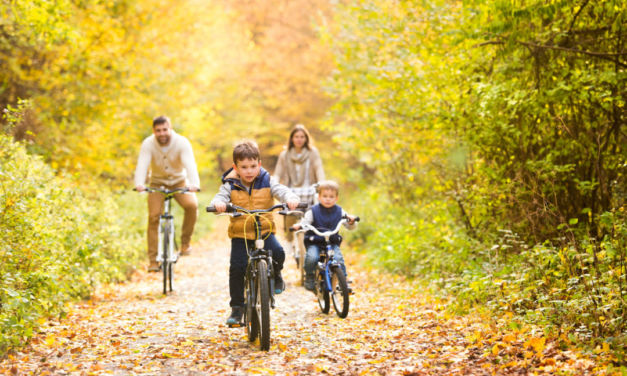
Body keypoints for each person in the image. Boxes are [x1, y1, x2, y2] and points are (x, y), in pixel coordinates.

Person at [210, 140, 299, 326]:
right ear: (236, 167)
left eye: (253, 166)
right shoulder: (230, 184)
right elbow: (220, 197)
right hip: (240, 233)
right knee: (237, 267)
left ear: (259, 164)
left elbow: (280, 190)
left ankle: (276, 275)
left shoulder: (267, 180)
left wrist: (290, 197)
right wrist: (219, 205)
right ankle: (237, 308)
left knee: (279, 252)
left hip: (264, 230)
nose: (249, 171)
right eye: (244, 167)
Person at [134, 116, 200, 272]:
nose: (162, 133)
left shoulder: (182, 142)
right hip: (157, 183)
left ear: (170, 128)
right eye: (158, 130)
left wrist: (194, 184)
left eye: (165, 129)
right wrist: (139, 184)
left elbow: (190, 164)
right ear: (153, 131)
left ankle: (185, 243)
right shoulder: (148, 144)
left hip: (179, 182)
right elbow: (142, 164)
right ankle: (153, 261)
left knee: (192, 205)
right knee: (153, 216)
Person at [291, 180, 357, 292]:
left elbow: (349, 225)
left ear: (336, 198)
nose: (328, 199)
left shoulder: (340, 211)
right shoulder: (313, 211)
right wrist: (300, 226)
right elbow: (305, 222)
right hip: (315, 241)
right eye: (325, 196)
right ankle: (310, 276)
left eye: (331, 197)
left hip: (331, 242)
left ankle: (343, 281)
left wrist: (351, 221)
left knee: (338, 258)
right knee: (312, 257)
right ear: (319, 197)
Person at [273, 124, 325, 263]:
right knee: (290, 216)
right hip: (292, 191)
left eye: (302, 136)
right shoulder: (285, 155)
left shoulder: (313, 152)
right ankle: (289, 242)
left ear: (306, 138)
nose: (299, 139)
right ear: (292, 138)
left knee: (312, 219)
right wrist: (273, 183)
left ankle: (311, 244)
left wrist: (322, 184)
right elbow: (278, 173)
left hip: (309, 190)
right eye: (296, 136)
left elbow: (319, 169)